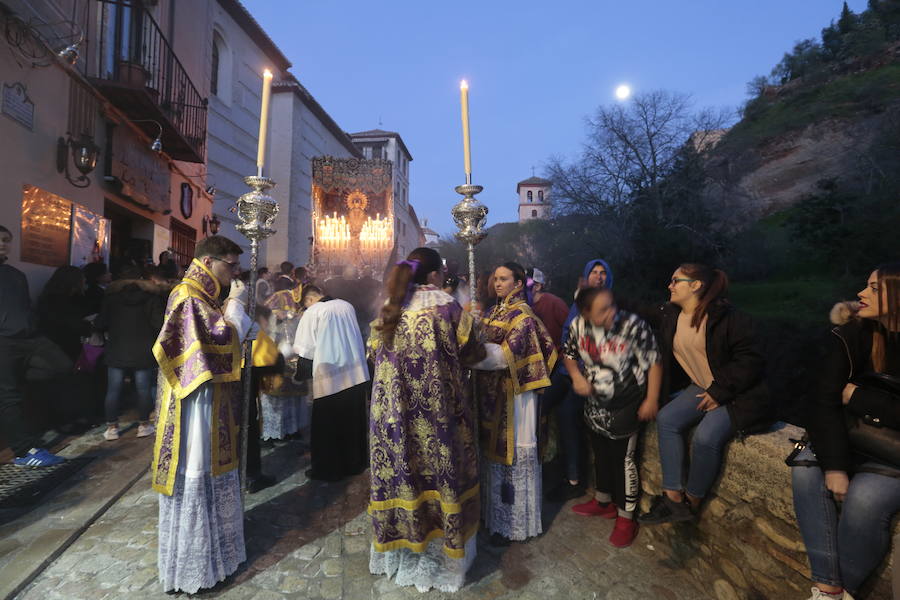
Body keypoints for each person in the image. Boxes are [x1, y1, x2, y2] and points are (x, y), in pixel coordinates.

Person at [367, 248, 486, 592]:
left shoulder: (390, 306)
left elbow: (372, 352)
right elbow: (474, 353)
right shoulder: (447, 306)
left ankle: (403, 552)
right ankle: (444, 556)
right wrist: (475, 323)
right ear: (435, 274)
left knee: (402, 473)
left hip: (392, 414)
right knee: (439, 473)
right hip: (438, 414)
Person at [151, 235, 257, 594]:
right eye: (231, 265)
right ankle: (194, 562)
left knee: (211, 470)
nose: (236, 272)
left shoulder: (203, 296)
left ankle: (217, 554)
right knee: (196, 466)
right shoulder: (188, 296)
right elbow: (216, 346)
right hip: (194, 405)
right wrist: (236, 308)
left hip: (208, 399)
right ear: (209, 262)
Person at [791, 264, 900, 600]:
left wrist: (859, 397)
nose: (860, 294)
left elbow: (847, 395)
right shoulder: (852, 335)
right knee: (806, 469)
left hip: (893, 450)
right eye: (864, 286)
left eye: (873, 289)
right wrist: (836, 465)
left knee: (865, 499)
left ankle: (845, 589)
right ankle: (828, 589)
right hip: (853, 438)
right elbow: (823, 401)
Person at [639, 264, 773, 525]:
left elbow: (751, 361)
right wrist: (604, 300)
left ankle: (692, 502)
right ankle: (672, 498)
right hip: (702, 386)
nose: (670, 285)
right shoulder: (671, 314)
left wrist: (720, 391)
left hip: (738, 393)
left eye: (675, 280)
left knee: (706, 436)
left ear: (696, 285)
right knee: (667, 418)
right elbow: (638, 310)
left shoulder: (729, 318)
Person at [563, 287, 661, 547]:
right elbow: (570, 355)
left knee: (623, 460)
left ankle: (626, 517)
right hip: (594, 402)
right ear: (585, 313)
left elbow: (654, 362)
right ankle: (603, 500)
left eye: (611, 306)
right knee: (600, 452)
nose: (611, 313)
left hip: (626, 401)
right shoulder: (577, 326)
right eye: (602, 310)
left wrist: (651, 399)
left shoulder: (632, 326)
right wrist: (576, 377)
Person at [473, 261, 557, 544]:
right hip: (492, 395)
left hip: (516, 399)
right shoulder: (494, 311)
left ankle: (511, 524)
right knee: (492, 457)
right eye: (495, 278)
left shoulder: (522, 317)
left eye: (504, 279)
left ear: (519, 284)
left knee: (512, 459)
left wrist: (467, 352)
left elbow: (501, 357)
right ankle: (493, 516)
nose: (497, 283)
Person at [545, 258, 614, 501]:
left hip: (586, 376)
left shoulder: (610, 306)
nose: (598, 276)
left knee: (567, 416)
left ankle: (573, 479)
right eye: (594, 272)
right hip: (566, 371)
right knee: (537, 404)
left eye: (603, 272)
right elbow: (567, 336)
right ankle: (540, 465)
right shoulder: (578, 304)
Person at [0, 225, 68, 467]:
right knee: (8, 397)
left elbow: (25, 305)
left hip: (30, 338)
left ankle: (16, 384)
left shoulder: (15, 274)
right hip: (4, 342)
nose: (3, 244)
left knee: (63, 366)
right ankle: (23, 452)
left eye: (6, 240)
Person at [292, 284, 369, 481]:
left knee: (328, 426)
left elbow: (306, 351)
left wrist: (299, 376)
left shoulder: (314, 311)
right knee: (353, 422)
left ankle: (327, 469)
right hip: (356, 373)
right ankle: (354, 463)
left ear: (309, 299)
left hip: (330, 377)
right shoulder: (346, 305)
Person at [93, 264, 166, 441]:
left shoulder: (111, 298)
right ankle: (143, 425)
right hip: (143, 350)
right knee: (143, 389)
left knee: (113, 390)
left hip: (117, 348)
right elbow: (158, 324)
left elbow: (100, 323)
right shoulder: (151, 298)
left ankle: (111, 428)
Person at [528, 267, 569, 351]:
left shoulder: (554, 303)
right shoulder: (524, 305)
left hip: (559, 359)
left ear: (537, 286)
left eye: (526, 283)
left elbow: (571, 330)